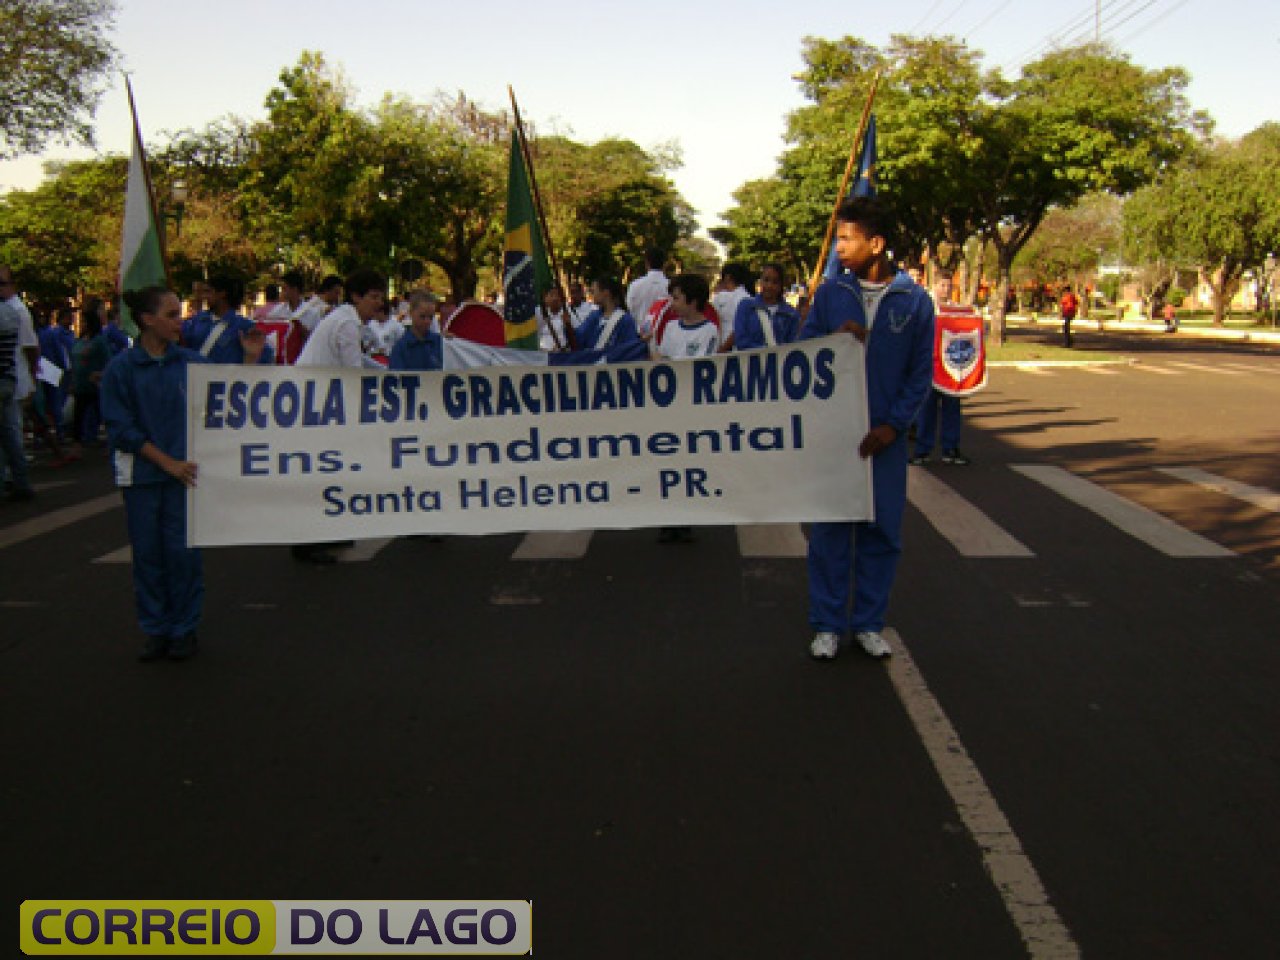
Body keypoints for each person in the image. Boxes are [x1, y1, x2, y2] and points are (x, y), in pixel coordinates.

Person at [799, 196, 934, 661]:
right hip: (835, 435)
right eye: (838, 238)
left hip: (885, 440)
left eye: (846, 239)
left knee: (882, 534)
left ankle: (870, 623)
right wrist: (835, 339)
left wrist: (893, 427)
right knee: (830, 532)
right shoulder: (832, 294)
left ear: (876, 244)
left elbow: (921, 373)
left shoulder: (915, 301)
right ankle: (828, 624)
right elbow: (803, 351)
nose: (838, 248)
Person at [101, 285, 268, 661]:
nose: (181, 322)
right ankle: (155, 628)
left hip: (185, 479)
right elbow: (121, 429)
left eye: (181, 314)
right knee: (148, 556)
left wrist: (249, 362)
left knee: (182, 556)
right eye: (173, 314)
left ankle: (183, 629)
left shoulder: (191, 363)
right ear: (147, 319)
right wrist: (166, 462)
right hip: (145, 478)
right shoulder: (122, 369)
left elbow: (232, 395)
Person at [294, 268, 387, 562]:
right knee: (322, 468)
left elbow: (358, 362)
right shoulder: (347, 324)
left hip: (317, 401)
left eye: (380, 298)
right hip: (318, 404)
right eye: (373, 297)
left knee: (326, 467)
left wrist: (388, 373)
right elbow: (353, 374)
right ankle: (309, 540)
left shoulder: (344, 320)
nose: (378, 304)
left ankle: (325, 531)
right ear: (356, 296)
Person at [652, 273, 719, 543]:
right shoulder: (670, 328)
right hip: (669, 407)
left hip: (692, 406)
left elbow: (702, 366)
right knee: (668, 462)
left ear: (693, 301)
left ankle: (686, 519)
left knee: (689, 463)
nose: (673, 303)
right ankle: (668, 520)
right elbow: (663, 357)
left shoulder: (709, 331)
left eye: (677, 297)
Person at [911, 273, 969, 466]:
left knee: (952, 408)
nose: (946, 289)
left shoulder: (954, 309)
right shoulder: (925, 306)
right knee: (926, 410)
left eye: (948, 286)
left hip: (950, 369)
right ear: (934, 286)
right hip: (929, 367)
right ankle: (922, 450)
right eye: (942, 285)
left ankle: (950, 448)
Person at [0, 264, 39, 500]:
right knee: (11, 434)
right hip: (10, 378)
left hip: (9, 378)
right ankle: (19, 480)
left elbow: (31, 347)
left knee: (10, 433)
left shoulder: (14, 311)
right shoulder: (13, 312)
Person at [183, 275, 274, 365]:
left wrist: (252, 356)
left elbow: (266, 358)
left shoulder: (245, 327)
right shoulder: (194, 322)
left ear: (222, 294)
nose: (204, 296)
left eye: (208, 292)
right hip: (196, 378)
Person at [730, 263, 801, 351]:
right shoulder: (746, 307)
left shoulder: (791, 314)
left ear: (781, 285)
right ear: (760, 282)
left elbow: (793, 345)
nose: (769, 285)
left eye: (775, 282)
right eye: (766, 280)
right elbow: (740, 340)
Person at [70, 302, 112, 445]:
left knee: (103, 413)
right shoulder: (79, 341)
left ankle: (111, 441)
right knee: (79, 416)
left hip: (95, 386)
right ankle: (78, 444)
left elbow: (109, 361)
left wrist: (101, 374)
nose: (81, 324)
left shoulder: (99, 341)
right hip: (80, 384)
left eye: (84, 321)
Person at [575, 278, 641, 351]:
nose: (592, 294)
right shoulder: (593, 316)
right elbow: (579, 337)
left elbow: (629, 348)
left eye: (594, 291)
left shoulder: (625, 320)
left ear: (606, 293)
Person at [388, 290, 444, 372]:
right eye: (422, 316)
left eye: (431, 317)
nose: (427, 321)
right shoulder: (401, 348)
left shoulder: (440, 343)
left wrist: (452, 342)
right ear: (411, 313)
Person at [626, 248, 668, 339]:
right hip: (663, 335)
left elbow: (630, 308)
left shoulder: (635, 285)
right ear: (665, 264)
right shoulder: (671, 287)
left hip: (638, 334)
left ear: (646, 263)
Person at [711, 262, 754, 351]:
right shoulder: (748, 297)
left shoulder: (721, 297)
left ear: (727, 277)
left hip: (725, 347)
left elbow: (738, 329)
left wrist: (722, 349)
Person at [536, 284, 578, 351]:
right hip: (543, 354)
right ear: (545, 298)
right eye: (552, 295)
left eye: (558, 295)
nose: (555, 298)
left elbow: (575, 338)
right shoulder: (539, 312)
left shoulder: (568, 311)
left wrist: (568, 324)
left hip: (563, 353)